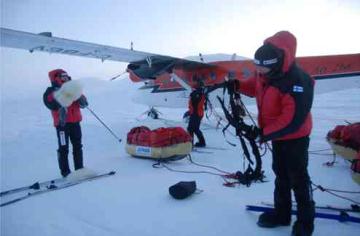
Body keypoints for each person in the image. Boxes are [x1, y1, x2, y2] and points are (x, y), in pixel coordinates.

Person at [235, 31, 315, 236]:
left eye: (262, 67)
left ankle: (305, 223)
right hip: (277, 137)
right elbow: (254, 87)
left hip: (295, 137)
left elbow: (292, 119)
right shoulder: (265, 74)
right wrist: (236, 85)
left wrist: (263, 133)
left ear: (276, 62)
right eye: (257, 66)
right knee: (281, 175)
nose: (258, 71)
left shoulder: (298, 81)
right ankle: (282, 214)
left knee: (298, 179)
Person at [43, 69, 88, 177]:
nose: (66, 78)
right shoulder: (51, 91)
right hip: (62, 125)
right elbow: (50, 103)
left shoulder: (73, 88)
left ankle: (79, 169)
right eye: (63, 76)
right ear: (56, 78)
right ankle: (65, 172)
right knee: (64, 148)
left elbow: (84, 103)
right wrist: (62, 94)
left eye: (67, 76)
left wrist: (80, 97)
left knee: (78, 146)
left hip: (75, 123)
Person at [187, 78, 206, 147]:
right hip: (198, 113)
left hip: (196, 113)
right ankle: (202, 142)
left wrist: (191, 112)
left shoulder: (196, 94)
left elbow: (194, 104)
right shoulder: (200, 93)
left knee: (190, 129)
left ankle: (190, 144)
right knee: (195, 129)